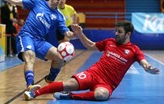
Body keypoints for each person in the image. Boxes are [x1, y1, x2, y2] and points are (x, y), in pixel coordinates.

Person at [24, 21, 160, 101]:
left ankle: (70, 97)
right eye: (116, 31)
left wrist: (147, 67)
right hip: (93, 73)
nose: (116, 34)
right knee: (69, 83)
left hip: (107, 83)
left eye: (119, 32)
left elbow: (143, 62)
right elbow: (90, 45)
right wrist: (80, 34)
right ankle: (35, 93)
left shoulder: (134, 49)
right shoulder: (109, 42)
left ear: (128, 34)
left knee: (102, 95)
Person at [0, 0, 75, 91]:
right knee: (30, 55)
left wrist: (72, 33)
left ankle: (50, 79)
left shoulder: (59, 16)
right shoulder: (38, 2)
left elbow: (66, 31)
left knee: (59, 58)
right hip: (26, 35)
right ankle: (30, 85)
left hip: (40, 41)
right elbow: (16, 1)